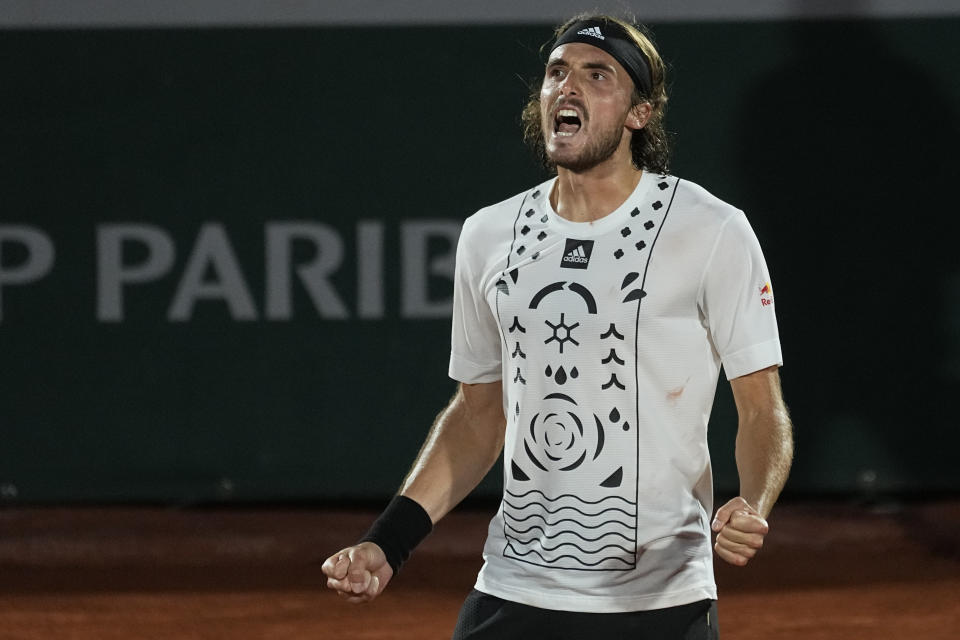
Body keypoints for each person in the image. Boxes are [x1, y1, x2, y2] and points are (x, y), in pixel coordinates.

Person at [323, 14, 793, 639]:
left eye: (597, 75)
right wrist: (389, 542)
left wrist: (752, 504)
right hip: (514, 589)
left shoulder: (711, 230)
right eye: (556, 73)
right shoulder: (488, 235)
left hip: (659, 601)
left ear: (639, 114)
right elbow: (476, 414)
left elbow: (763, 411)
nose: (567, 88)